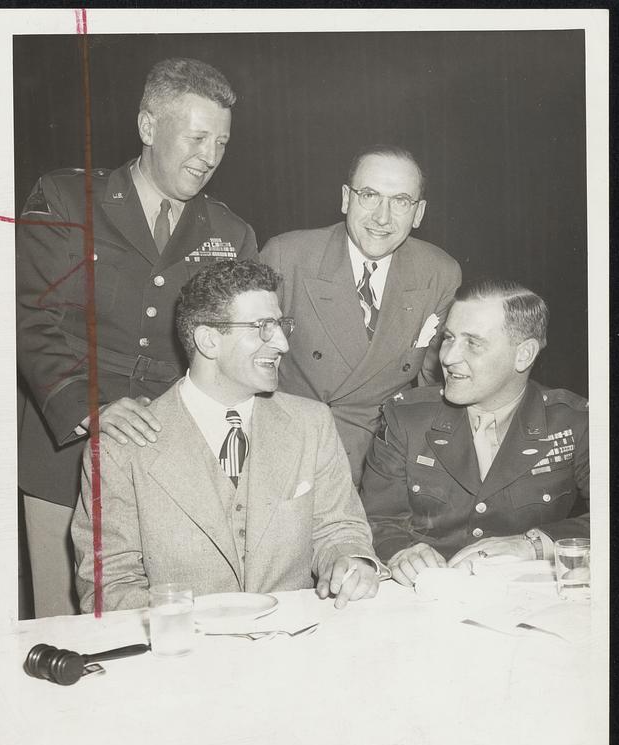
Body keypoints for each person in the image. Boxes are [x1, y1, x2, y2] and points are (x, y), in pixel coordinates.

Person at [16, 57, 257, 617]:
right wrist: (91, 407)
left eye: (221, 142)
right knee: (64, 625)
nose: (209, 157)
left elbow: (232, 355)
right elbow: (31, 317)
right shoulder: (65, 199)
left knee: (160, 620)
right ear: (148, 127)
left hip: (170, 454)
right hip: (67, 446)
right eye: (197, 137)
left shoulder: (231, 232)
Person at [72, 259, 383, 612]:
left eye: (280, 325)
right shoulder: (118, 449)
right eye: (262, 327)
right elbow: (110, 586)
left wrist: (350, 561)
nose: (281, 343)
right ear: (208, 340)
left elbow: (339, 528)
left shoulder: (312, 423)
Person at [359, 280, 589, 585]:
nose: (449, 357)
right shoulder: (406, 418)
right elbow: (376, 519)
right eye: (449, 338)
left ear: (524, 354)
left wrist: (532, 544)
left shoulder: (572, 421)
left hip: (528, 600)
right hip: (427, 598)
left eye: (473, 343)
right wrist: (402, 551)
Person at [260, 144, 461, 487]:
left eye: (400, 201)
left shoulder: (439, 272)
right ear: (345, 199)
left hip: (383, 464)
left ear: (418, 213)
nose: (382, 217)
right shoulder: (286, 257)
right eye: (369, 195)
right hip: (292, 456)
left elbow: (433, 387)